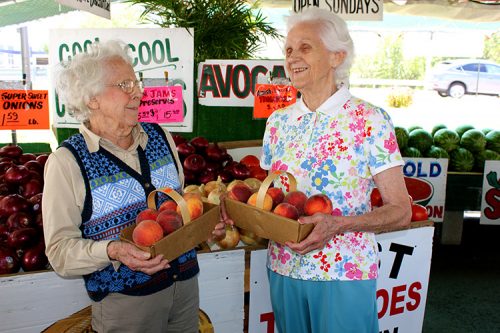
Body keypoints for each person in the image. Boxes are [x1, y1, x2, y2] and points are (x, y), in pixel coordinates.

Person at [42, 39, 225, 333]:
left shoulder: (160, 137)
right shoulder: (67, 162)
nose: (138, 92)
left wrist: (203, 226)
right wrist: (113, 250)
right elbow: (60, 252)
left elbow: (178, 212)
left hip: (186, 289)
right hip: (127, 306)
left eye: (136, 82)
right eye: (125, 85)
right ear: (92, 99)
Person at [258, 7, 411, 333]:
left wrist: (337, 225)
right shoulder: (277, 123)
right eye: (288, 49)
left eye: (305, 47)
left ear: (337, 56)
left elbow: (401, 210)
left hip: (345, 272)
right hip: (284, 269)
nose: (292, 57)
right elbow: (269, 200)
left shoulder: (370, 119)